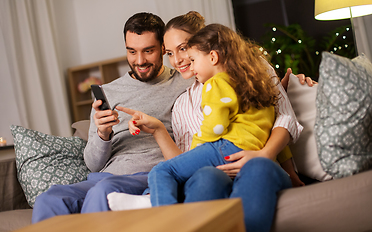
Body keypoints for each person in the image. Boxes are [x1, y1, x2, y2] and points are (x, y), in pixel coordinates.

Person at [107, 12, 306, 232]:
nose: (178, 61)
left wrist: (265, 153)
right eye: (170, 53)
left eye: (183, 49)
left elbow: (284, 117)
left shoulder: (249, 69)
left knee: (256, 167)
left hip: (261, 163)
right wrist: (159, 130)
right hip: (215, 172)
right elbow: (185, 162)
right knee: (205, 176)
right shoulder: (182, 103)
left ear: (203, 45)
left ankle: (155, 203)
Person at [31, 12, 194, 223]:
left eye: (148, 51)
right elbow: (92, 165)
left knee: (104, 192)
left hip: (149, 175)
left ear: (163, 48)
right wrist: (102, 134)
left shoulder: (184, 83)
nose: (140, 60)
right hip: (104, 177)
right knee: (49, 199)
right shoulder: (108, 92)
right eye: (132, 51)